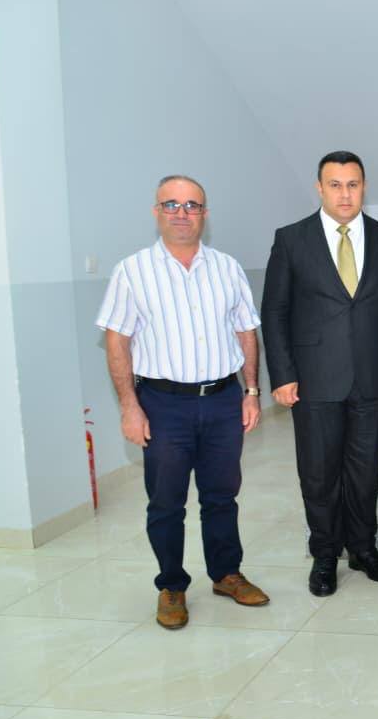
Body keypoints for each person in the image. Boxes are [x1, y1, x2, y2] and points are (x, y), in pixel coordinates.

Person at [96, 175, 269, 630]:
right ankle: (171, 586)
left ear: (204, 215)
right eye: (171, 204)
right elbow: (117, 342)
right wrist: (129, 406)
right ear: (156, 212)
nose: (182, 213)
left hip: (222, 400)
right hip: (162, 404)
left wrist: (251, 391)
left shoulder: (227, 268)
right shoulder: (132, 271)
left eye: (192, 205)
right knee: (167, 502)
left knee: (222, 495)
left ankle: (226, 574)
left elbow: (246, 332)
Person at [261, 151, 378, 597]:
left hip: (373, 379)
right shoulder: (291, 239)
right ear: (319, 188)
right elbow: (275, 311)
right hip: (314, 380)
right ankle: (324, 554)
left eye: (353, 184)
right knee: (319, 474)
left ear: (364, 187)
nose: (345, 194)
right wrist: (282, 374)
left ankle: (363, 548)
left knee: (365, 472)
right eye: (335, 185)